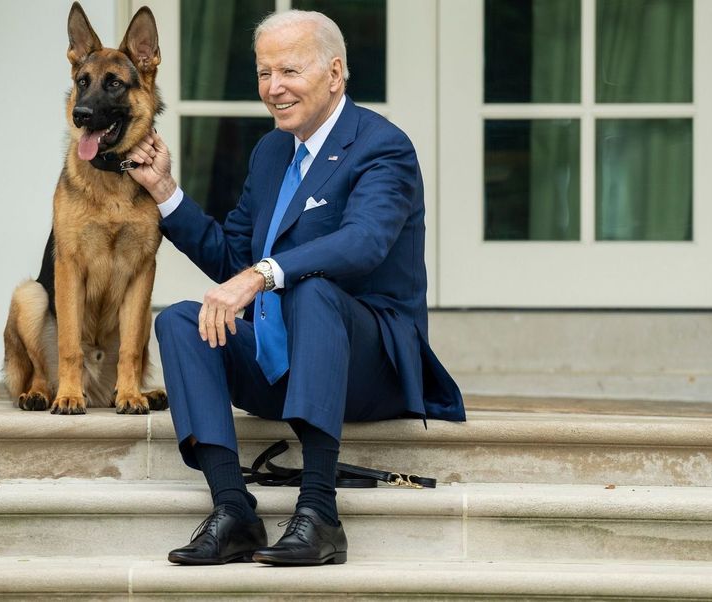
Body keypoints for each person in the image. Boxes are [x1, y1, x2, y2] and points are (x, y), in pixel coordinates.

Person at [125, 9, 465, 566]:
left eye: (289, 71)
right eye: (263, 73)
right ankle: (233, 509)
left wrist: (262, 275)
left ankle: (319, 512)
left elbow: (363, 244)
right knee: (180, 321)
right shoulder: (271, 152)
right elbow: (234, 258)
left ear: (335, 74)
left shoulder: (383, 147)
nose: (273, 89)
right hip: (282, 361)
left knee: (312, 289)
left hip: (367, 364)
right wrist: (165, 193)